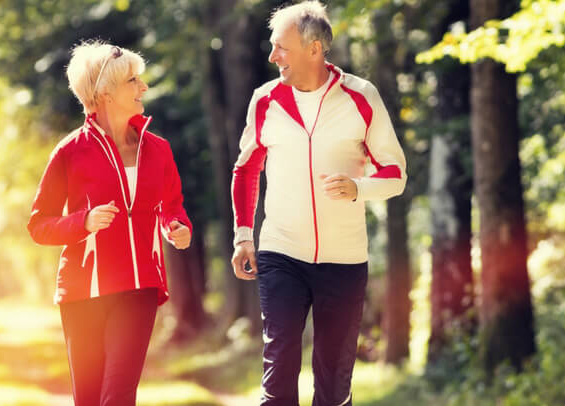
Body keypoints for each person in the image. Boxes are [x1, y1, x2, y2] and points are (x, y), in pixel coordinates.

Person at [230, 2, 407, 405]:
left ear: (314, 49)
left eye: (281, 48)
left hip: (344, 260)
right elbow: (245, 171)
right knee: (279, 372)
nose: (273, 56)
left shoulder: (360, 98)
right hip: (281, 251)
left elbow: (396, 174)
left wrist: (358, 187)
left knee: (332, 381)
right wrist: (243, 236)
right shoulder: (266, 100)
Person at [27, 40, 192, 406]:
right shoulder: (70, 152)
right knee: (88, 399)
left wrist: (177, 227)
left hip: (139, 288)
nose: (143, 87)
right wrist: (83, 221)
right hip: (83, 291)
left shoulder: (158, 149)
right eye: (134, 80)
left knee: (117, 395)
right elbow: (39, 225)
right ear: (105, 93)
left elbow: (172, 206)